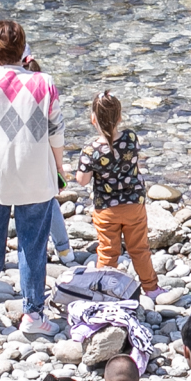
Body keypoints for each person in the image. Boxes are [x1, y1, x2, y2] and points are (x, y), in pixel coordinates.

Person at [0, 20, 66, 334]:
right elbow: (56, 132)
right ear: (24, 49)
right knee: (32, 246)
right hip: (34, 174)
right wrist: (60, 170)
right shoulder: (44, 82)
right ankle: (33, 314)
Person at [78, 91, 160, 296]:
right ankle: (151, 288)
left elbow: (82, 180)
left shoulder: (91, 150)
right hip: (134, 204)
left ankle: (104, 290)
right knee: (140, 249)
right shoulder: (131, 137)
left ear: (92, 119)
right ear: (120, 117)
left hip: (107, 209)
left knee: (108, 251)